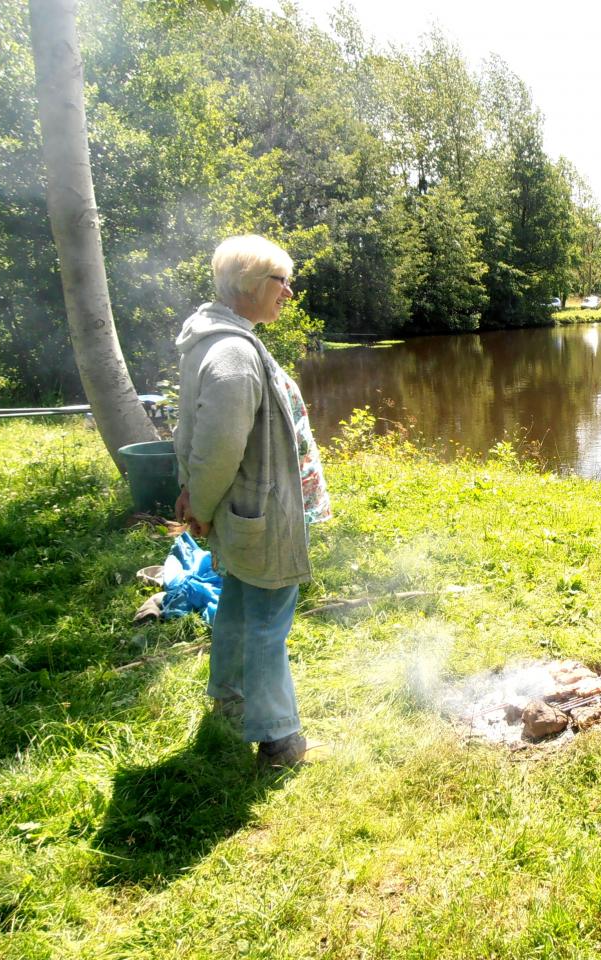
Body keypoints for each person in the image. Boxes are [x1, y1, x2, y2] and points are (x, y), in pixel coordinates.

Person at [173, 235, 332, 767]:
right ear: (247, 283)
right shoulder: (234, 353)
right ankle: (280, 739)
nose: (289, 292)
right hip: (260, 514)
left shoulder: (220, 340)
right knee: (268, 621)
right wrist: (200, 504)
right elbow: (217, 447)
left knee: (240, 608)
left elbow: (195, 434)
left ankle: (229, 698)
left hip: (246, 510)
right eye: (281, 281)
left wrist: (196, 493)